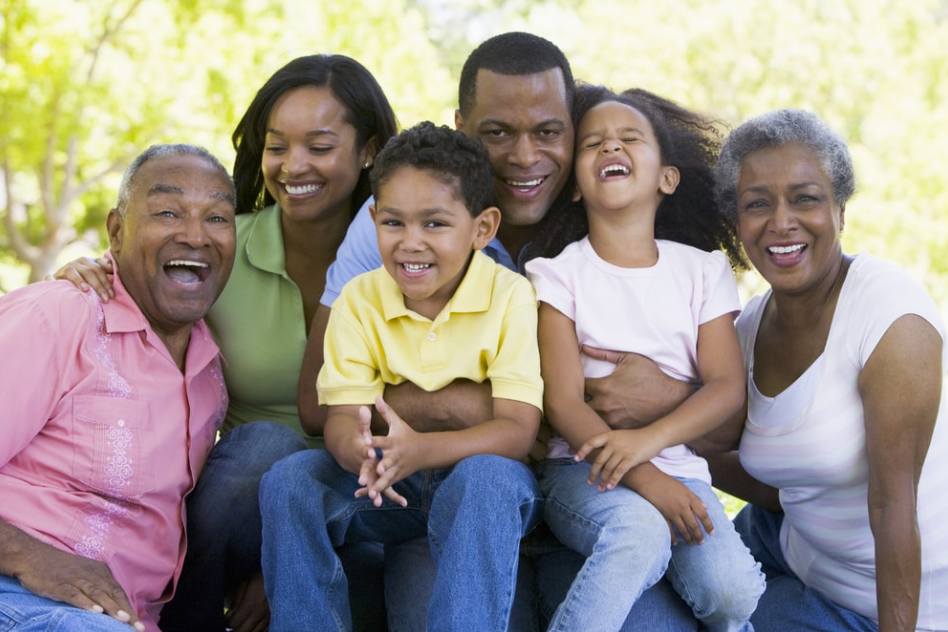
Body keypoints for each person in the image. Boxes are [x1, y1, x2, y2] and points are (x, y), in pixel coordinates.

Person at [299, 31, 700, 631]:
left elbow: (731, 413)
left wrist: (672, 397)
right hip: (457, 495)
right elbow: (317, 402)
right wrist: (494, 409)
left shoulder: (618, 210)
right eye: (496, 133)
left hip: (590, 497)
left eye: (547, 131)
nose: (523, 155)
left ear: (573, 126)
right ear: (461, 127)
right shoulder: (397, 223)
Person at [52, 54, 399, 632]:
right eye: (277, 145)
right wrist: (85, 270)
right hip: (236, 505)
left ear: (369, 150)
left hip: (367, 490)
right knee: (264, 448)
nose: (293, 166)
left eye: (318, 145)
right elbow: (134, 281)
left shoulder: (408, 256)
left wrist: (283, 560)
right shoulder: (220, 242)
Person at [259, 121, 544, 631]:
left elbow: (518, 430)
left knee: (488, 479)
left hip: (477, 486)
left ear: (482, 228)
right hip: (389, 483)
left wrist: (420, 450)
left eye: (435, 224)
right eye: (394, 223)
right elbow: (343, 417)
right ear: (373, 220)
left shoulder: (509, 295)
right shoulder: (359, 299)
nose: (411, 244)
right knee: (291, 481)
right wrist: (363, 456)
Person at [524, 85, 763, 631]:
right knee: (640, 536)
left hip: (684, 473)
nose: (611, 148)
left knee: (730, 594)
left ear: (667, 178)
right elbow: (562, 402)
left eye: (629, 139)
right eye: (593, 144)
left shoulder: (703, 271)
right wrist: (644, 473)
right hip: (585, 472)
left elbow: (726, 386)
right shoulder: (556, 276)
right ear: (577, 187)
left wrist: (650, 444)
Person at [708, 109, 948, 631]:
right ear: (738, 224)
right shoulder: (747, 327)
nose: (781, 221)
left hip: (883, 599)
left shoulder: (890, 317)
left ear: (840, 211)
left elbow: (891, 508)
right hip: (791, 543)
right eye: (757, 204)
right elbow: (778, 478)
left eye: (805, 198)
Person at [0, 144, 235, 632]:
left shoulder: (209, 370)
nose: (195, 235)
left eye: (217, 218)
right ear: (115, 231)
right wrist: (29, 557)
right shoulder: (59, 316)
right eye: (167, 212)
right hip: (21, 595)